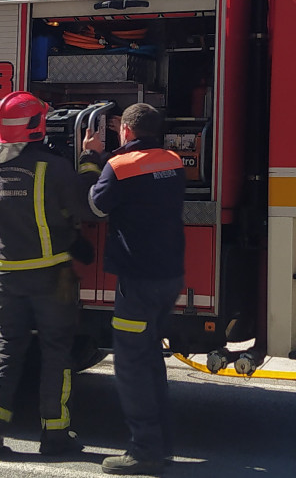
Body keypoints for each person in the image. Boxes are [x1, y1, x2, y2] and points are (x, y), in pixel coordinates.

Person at [0, 91, 101, 456]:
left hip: (5, 280)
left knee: (7, 345)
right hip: (51, 279)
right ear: (38, 126)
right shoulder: (52, 167)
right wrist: (90, 158)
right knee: (56, 349)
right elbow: (87, 205)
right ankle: (55, 434)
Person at [81, 103, 185, 476]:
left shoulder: (118, 167)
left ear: (124, 131)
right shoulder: (173, 160)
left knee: (131, 366)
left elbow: (96, 205)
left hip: (138, 280)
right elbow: (140, 177)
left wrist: (92, 158)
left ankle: (144, 451)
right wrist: (116, 153)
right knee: (150, 361)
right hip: (169, 276)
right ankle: (161, 445)